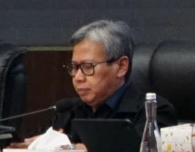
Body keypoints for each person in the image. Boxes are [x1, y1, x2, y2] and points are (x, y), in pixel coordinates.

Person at [50, 19, 178, 140]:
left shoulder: (153, 112)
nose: (78, 77)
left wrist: (71, 150)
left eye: (88, 67)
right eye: (74, 67)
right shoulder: (68, 112)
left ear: (121, 66)